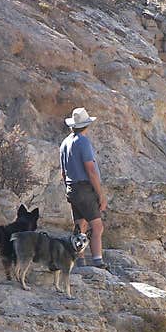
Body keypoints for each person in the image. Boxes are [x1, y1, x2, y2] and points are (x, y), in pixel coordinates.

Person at [59, 107, 108, 269]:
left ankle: (79, 262)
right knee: (97, 226)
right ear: (86, 125)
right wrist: (100, 194)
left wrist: (68, 188)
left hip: (72, 188)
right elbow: (91, 170)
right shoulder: (83, 141)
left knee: (81, 226)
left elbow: (63, 172)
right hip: (85, 188)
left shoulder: (65, 142)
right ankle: (97, 262)